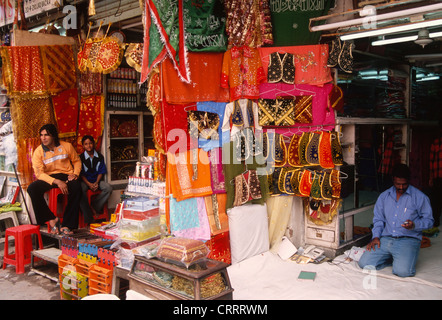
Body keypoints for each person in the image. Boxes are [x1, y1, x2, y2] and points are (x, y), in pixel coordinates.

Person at [358, 163, 434, 277]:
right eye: (398, 184)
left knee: (403, 272)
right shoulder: (384, 197)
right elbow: (378, 220)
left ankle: (399, 260)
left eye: (404, 184)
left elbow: (429, 221)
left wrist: (414, 225)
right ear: (393, 180)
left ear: (409, 180)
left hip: (408, 240)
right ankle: (394, 258)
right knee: (364, 263)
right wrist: (376, 237)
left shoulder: (420, 197)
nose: (401, 187)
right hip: (386, 238)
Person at [27, 124, 82, 235]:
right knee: (32, 189)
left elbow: (77, 161)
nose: (43, 138)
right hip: (50, 177)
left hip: (66, 174)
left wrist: (75, 174)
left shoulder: (66, 146)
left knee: (76, 187)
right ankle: (51, 219)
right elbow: (39, 174)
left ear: (53, 136)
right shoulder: (38, 152)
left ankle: (68, 224)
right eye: (41, 135)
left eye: (46, 135)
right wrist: (57, 182)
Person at [79, 135, 112, 224]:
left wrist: (96, 183)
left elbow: (101, 171)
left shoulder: (99, 157)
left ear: (93, 144)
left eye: (90, 143)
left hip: (97, 180)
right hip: (86, 181)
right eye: (86, 144)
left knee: (108, 188)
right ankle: (87, 211)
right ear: (83, 146)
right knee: (81, 189)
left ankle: (95, 205)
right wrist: (89, 184)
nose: (88, 146)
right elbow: (81, 174)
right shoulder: (81, 158)